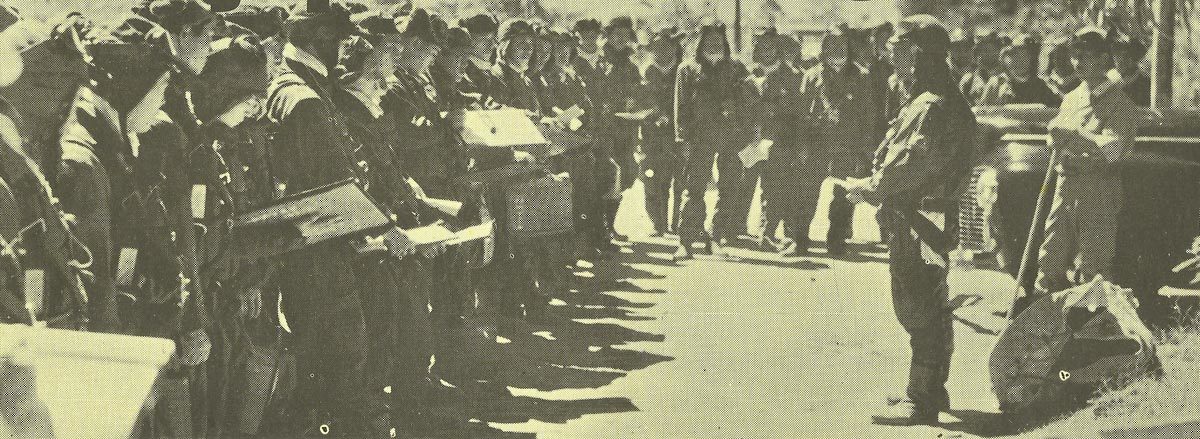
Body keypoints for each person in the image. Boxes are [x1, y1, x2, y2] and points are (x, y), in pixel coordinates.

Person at [264, 1, 391, 435]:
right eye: (340, 40)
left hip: (312, 244)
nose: (345, 48)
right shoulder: (305, 100)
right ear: (321, 40)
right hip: (321, 249)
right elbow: (337, 182)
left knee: (321, 361)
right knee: (339, 360)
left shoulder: (296, 86)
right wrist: (382, 229)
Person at [844, 14, 976, 425]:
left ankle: (921, 398)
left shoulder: (930, 105)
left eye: (899, 49)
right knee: (931, 299)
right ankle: (931, 388)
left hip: (920, 220)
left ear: (920, 55)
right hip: (928, 217)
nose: (892, 56)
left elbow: (910, 164)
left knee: (918, 302)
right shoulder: (933, 99)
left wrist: (872, 187)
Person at [1022, 27, 1138, 314]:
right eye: (1075, 56)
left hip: (1097, 189)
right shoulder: (1072, 97)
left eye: (1084, 56)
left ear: (1103, 59)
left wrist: (1073, 135)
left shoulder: (1120, 104)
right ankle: (1045, 329)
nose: (1077, 62)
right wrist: (1055, 137)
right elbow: (1057, 137)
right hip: (1066, 185)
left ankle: (1095, 337)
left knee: (1094, 270)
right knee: (1050, 259)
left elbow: (1114, 149)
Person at [673, 22, 748, 261]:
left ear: (725, 43)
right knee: (693, 189)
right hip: (699, 138)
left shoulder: (736, 69)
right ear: (700, 43)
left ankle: (716, 238)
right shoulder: (688, 69)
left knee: (729, 188)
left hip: (730, 138)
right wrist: (682, 138)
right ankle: (686, 241)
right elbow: (681, 106)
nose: (714, 45)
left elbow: (749, 102)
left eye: (718, 41)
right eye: (709, 41)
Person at [800, 26, 876, 255]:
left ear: (848, 48)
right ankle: (800, 238)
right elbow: (802, 114)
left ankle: (837, 240)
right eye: (831, 45)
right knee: (807, 191)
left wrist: (865, 151)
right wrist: (802, 145)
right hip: (816, 146)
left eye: (841, 45)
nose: (836, 50)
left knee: (843, 197)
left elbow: (868, 116)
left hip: (847, 147)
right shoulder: (812, 76)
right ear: (824, 48)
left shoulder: (861, 77)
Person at [743, 28, 805, 252]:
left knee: (775, 187)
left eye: (771, 47)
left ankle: (768, 233)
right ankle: (731, 230)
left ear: (778, 48)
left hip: (781, 140)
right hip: (752, 140)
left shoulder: (793, 76)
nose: (767, 52)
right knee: (743, 186)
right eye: (761, 48)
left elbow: (797, 112)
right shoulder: (748, 75)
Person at [593, 16, 644, 245]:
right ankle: (602, 227)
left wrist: (636, 101)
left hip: (626, 128)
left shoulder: (631, 65)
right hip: (605, 128)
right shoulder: (600, 59)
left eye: (626, 35)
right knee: (608, 174)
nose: (622, 39)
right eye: (617, 34)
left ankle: (610, 224)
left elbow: (638, 92)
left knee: (627, 173)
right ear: (609, 34)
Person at [641, 26, 685, 237]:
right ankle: (658, 223)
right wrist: (654, 113)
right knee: (655, 180)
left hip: (678, 135)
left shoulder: (683, 70)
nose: (662, 52)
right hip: (653, 137)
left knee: (681, 181)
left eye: (667, 47)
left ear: (675, 49)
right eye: (657, 48)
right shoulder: (648, 71)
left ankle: (678, 223)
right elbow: (642, 100)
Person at [977, 34, 1061, 107]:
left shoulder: (1041, 86)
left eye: (1025, 55)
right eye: (1015, 54)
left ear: (1032, 59)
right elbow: (982, 115)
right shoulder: (996, 84)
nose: (1019, 60)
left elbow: (1057, 112)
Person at [959, 31, 1007, 105]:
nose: (988, 54)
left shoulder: (1008, 78)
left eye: (993, 50)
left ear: (999, 51)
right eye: (983, 50)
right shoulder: (968, 81)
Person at [1109, 30, 1150, 106]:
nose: (1118, 59)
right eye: (1116, 54)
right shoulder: (1110, 79)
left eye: (1126, 55)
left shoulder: (1145, 83)